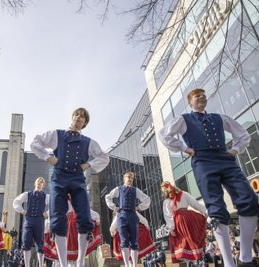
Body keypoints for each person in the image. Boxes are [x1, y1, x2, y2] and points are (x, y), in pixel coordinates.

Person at [159, 88, 259, 267]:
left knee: (249, 200)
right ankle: (229, 263)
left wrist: (235, 149)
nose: (202, 98)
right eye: (198, 96)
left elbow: (242, 134)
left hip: (225, 158)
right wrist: (185, 149)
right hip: (203, 162)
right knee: (216, 207)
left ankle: (245, 258)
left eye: (204, 96)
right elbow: (164, 134)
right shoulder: (184, 119)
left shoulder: (219, 118)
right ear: (190, 102)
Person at [30, 107, 110, 267]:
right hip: (59, 179)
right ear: (72, 117)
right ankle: (64, 263)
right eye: (77, 115)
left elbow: (104, 157)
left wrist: (88, 164)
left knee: (85, 217)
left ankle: (80, 261)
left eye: (82, 117)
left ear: (85, 123)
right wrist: (47, 157)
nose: (79, 118)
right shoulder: (57, 135)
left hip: (78, 180)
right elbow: (35, 142)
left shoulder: (88, 142)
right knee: (58, 219)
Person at [105, 172, 151, 267]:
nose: (130, 179)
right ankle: (127, 265)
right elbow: (108, 197)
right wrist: (114, 207)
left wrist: (139, 207)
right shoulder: (119, 189)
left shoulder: (136, 190)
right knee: (124, 241)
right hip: (121, 216)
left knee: (134, 242)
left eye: (132, 178)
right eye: (128, 177)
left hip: (133, 216)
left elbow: (147, 199)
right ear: (124, 179)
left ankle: (134, 265)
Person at [43, 199, 102, 264]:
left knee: (73, 252)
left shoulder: (74, 199)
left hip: (72, 227)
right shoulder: (64, 199)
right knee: (66, 252)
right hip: (67, 226)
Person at [161, 181, 207, 264]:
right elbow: (195, 203)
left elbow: (168, 216)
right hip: (189, 218)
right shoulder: (184, 194)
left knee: (182, 242)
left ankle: (188, 262)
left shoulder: (166, 201)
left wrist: (171, 228)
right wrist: (203, 211)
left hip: (179, 221)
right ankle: (194, 261)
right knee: (192, 239)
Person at [13, 177, 49, 267]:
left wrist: (47, 213)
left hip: (39, 222)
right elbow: (16, 202)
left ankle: (40, 265)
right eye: (37, 181)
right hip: (28, 221)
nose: (39, 183)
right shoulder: (27, 194)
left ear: (43, 185)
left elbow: (55, 205)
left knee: (40, 243)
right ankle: (27, 265)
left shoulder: (46, 196)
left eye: (41, 182)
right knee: (26, 242)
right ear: (34, 183)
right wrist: (22, 211)